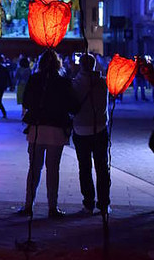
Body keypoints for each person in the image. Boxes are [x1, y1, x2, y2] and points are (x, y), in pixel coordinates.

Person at [18, 50, 79, 218]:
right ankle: (53, 207)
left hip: (37, 129)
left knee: (34, 169)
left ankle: (29, 205)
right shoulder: (63, 82)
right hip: (57, 130)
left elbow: (27, 101)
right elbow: (73, 106)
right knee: (53, 170)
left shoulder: (35, 79)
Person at [72, 53, 110, 215]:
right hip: (99, 128)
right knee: (102, 167)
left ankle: (88, 202)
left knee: (84, 167)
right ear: (94, 66)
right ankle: (103, 203)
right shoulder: (102, 83)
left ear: (80, 65)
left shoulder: (75, 83)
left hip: (80, 129)